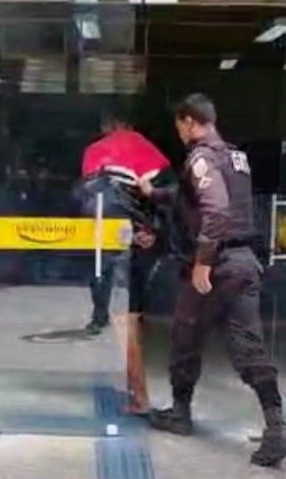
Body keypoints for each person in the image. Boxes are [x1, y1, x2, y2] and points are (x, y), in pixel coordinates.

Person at [139, 94, 286, 467]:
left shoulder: (201, 157)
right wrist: (154, 194)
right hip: (244, 264)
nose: (179, 133)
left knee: (184, 336)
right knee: (248, 346)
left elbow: (215, 210)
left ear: (189, 122)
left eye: (179, 126)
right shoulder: (234, 157)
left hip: (217, 265)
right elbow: (191, 197)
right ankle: (277, 425)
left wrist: (202, 262)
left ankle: (180, 413)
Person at [81, 111, 172, 414]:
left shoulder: (94, 152)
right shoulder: (144, 146)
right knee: (131, 315)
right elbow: (167, 192)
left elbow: (88, 199)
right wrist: (152, 230)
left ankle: (138, 393)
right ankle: (140, 392)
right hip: (137, 239)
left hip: (105, 238)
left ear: (105, 127)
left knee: (118, 308)